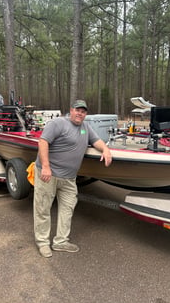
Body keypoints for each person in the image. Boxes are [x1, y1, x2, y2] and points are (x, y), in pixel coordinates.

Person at [33, 100, 112, 258]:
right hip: (49, 174)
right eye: (77, 110)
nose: (80, 113)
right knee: (43, 208)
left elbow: (96, 141)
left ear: (85, 114)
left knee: (67, 208)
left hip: (69, 178)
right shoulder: (57, 123)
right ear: (71, 110)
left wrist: (106, 150)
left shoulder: (86, 128)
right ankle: (42, 242)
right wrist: (46, 167)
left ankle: (60, 241)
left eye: (83, 111)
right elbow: (43, 142)